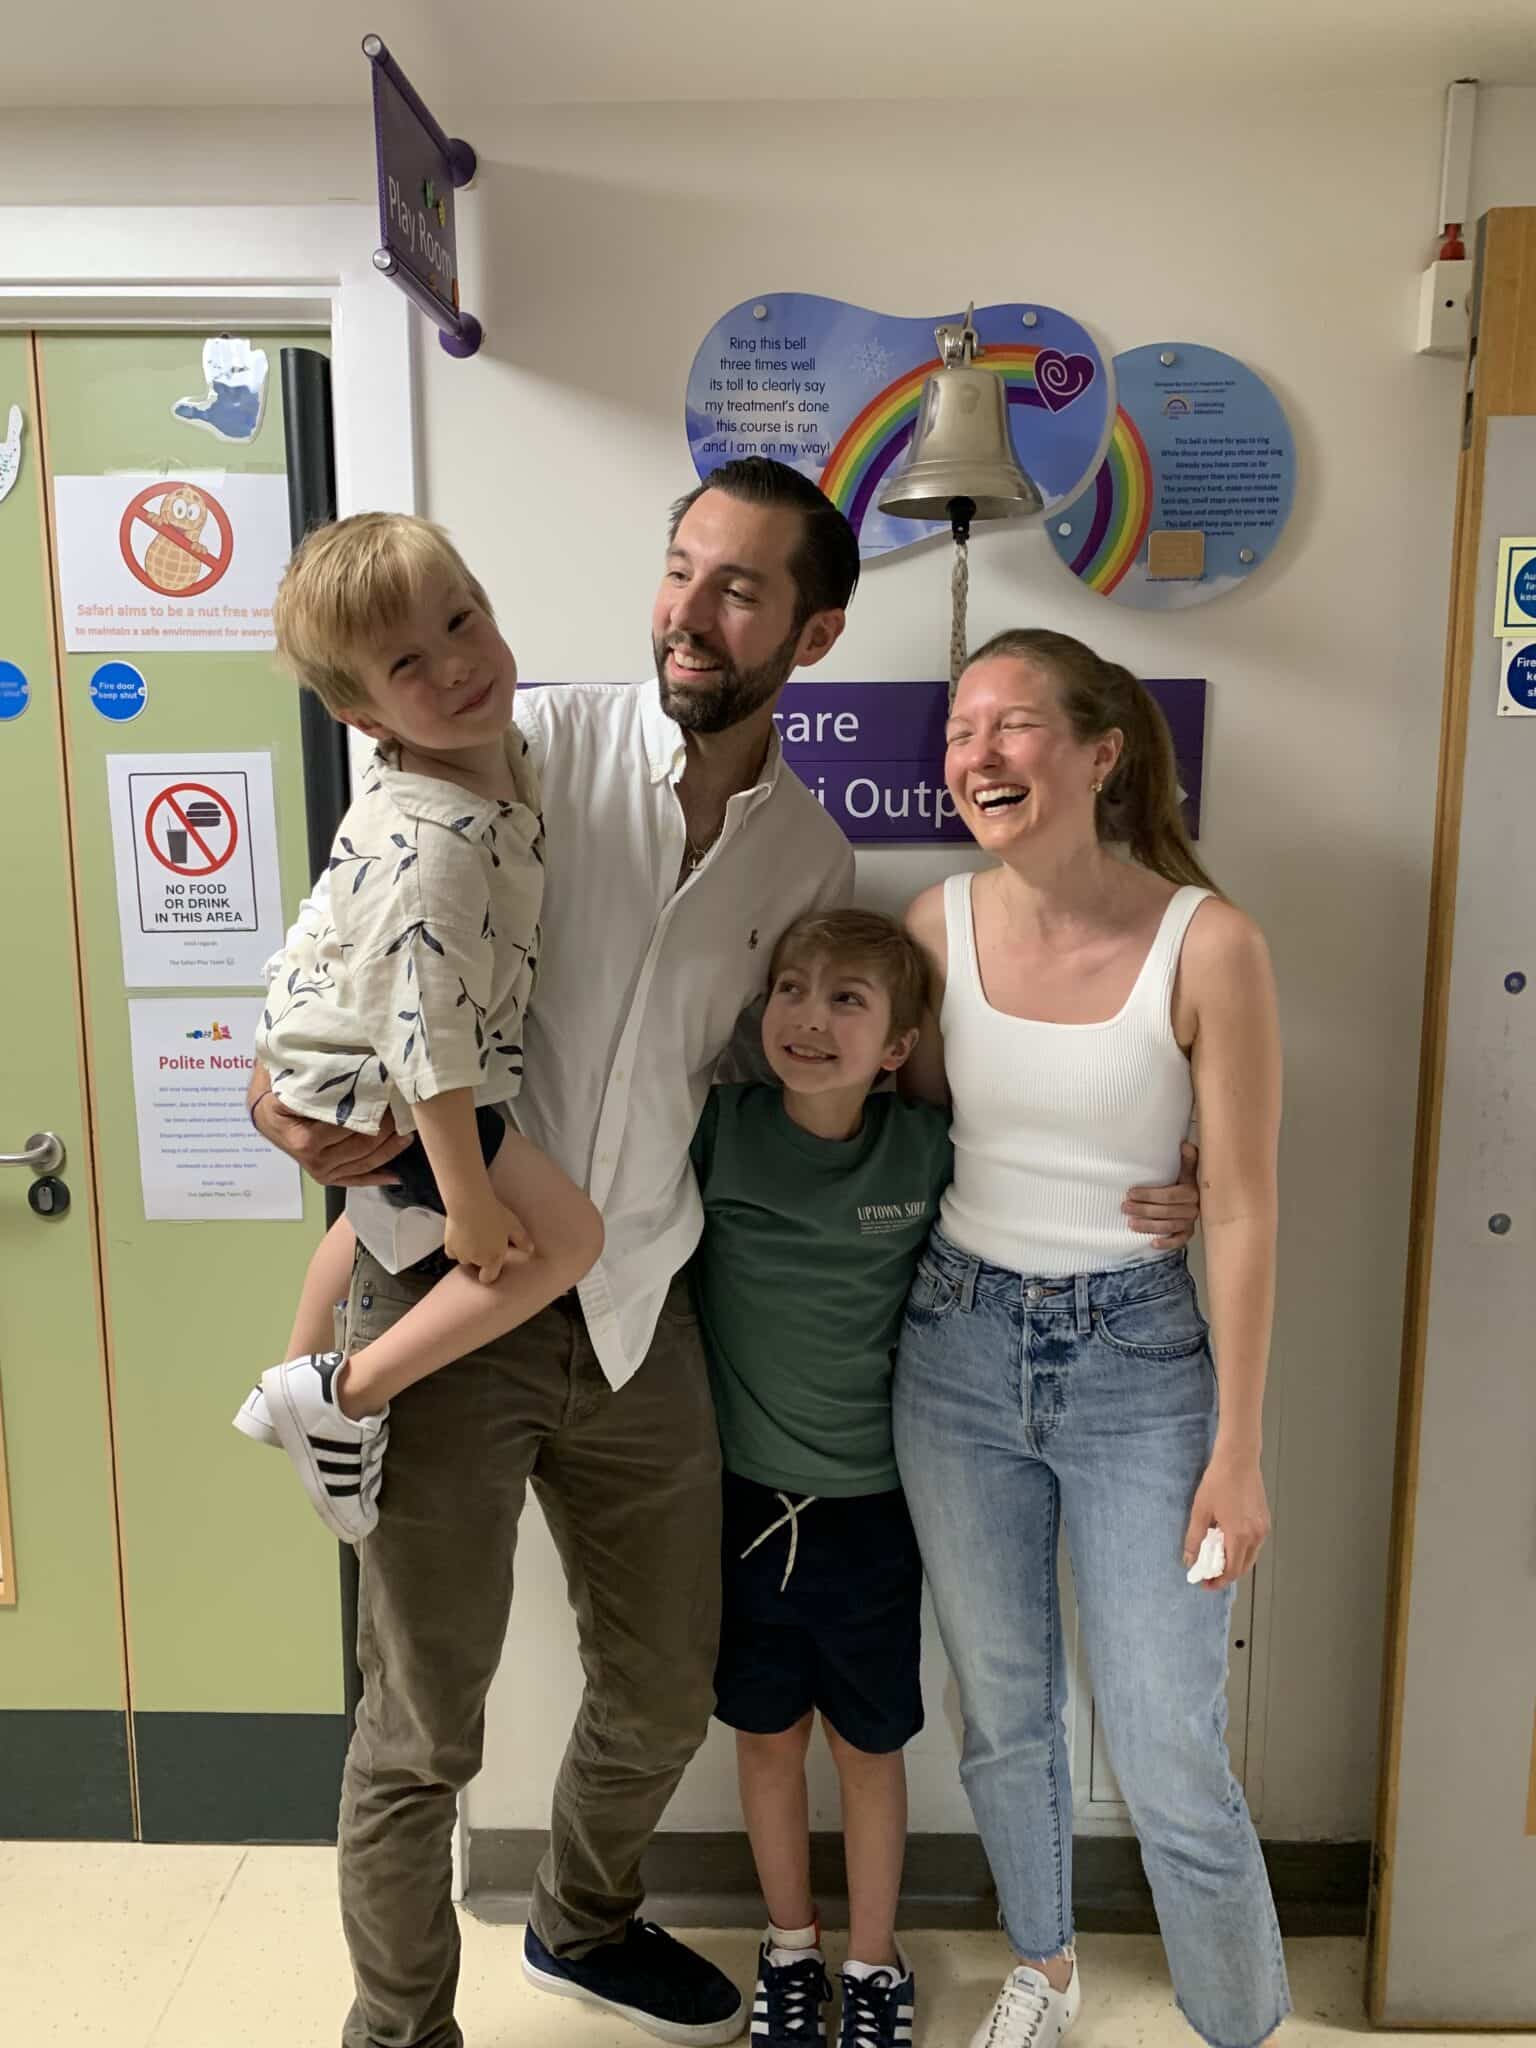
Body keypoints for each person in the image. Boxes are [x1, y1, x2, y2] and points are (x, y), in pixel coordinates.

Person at [250, 476, 1199, 2048]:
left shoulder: (810, 863)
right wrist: (270, 1090)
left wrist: (1170, 1153)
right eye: (679, 572)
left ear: (816, 631)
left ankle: (582, 1916)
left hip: (643, 1313)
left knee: (661, 1682)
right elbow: (350, 947)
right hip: (447, 1296)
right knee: (420, 1727)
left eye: (742, 592)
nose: (691, 614)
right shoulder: (512, 751)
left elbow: (865, 1071)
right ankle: (400, 2027)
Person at [894, 628, 1288, 2048]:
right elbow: (912, 1132)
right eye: (958, 735)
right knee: (1004, 1713)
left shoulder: (1212, 942)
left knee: (1171, 1740)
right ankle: (1043, 1974)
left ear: (1099, 753)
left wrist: (1237, 1453)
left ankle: (1238, 2021)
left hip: (1144, 1372)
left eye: (1010, 727)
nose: (977, 757)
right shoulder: (935, 929)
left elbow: (1242, 1213)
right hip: (954, 1353)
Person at [232, 513, 603, 1540]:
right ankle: (339, 1396)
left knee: (363, 1219)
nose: (456, 667)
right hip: (379, 1075)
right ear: (360, 710)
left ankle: (286, 1383)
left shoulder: (496, 757)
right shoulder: (429, 841)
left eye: (462, 619)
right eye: (409, 661)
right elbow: (429, 1042)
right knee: (567, 1237)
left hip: (337, 1052)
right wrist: (471, 1200)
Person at [691, 909, 948, 2048]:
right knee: (763, 1737)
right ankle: (789, 1947)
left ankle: (875, 1963)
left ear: (897, 1044)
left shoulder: (927, 1149)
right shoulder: (720, 1130)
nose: (809, 1015)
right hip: (744, 1508)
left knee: (869, 1746)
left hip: (877, 1515)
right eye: (792, 989)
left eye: (848, 998)